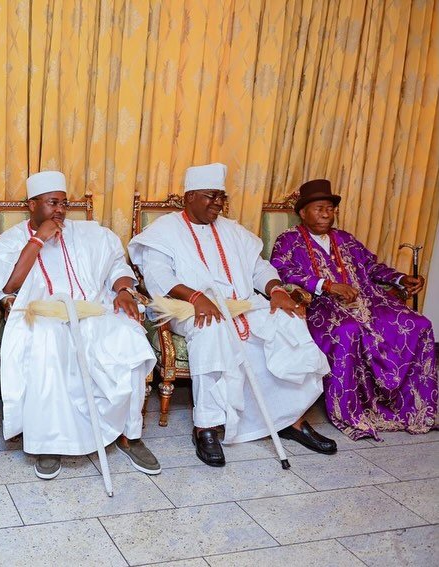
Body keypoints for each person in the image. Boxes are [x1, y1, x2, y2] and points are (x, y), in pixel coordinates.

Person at [128, 163, 336, 467]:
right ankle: (207, 426)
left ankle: (291, 418)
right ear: (189, 198)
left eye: (221, 197)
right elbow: (157, 276)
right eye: (210, 196)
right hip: (186, 307)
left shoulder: (233, 230)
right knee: (210, 329)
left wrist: (276, 289)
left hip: (242, 304)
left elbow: (259, 268)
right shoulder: (164, 231)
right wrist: (196, 297)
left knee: (288, 321)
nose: (217, 203)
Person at [0, 170, 160, 480]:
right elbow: (8, 284)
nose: (60, 210)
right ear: (32, 205)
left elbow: (117, 265)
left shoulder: (91, 233)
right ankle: (49, 442)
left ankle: (130, 434)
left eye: (64, 203)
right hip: (43, 318)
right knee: (47, 344)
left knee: (129, 336)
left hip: (93, 312)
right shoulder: (12, 240)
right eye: (52, 203)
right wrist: (38, 240)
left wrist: (123, 290)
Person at [270, 179, 437, 440]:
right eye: (319, 208)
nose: (327, 213)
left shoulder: (345, 238)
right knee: (349, 331)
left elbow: (373, 267)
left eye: (330, 208)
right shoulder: (288, 240)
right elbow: (282, 271)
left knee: (419, 324)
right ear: (302, 213)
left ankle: (413, 405)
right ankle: (351, 410)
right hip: (321, 308)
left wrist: (399, 279)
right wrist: (327, 286)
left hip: (368, 302)